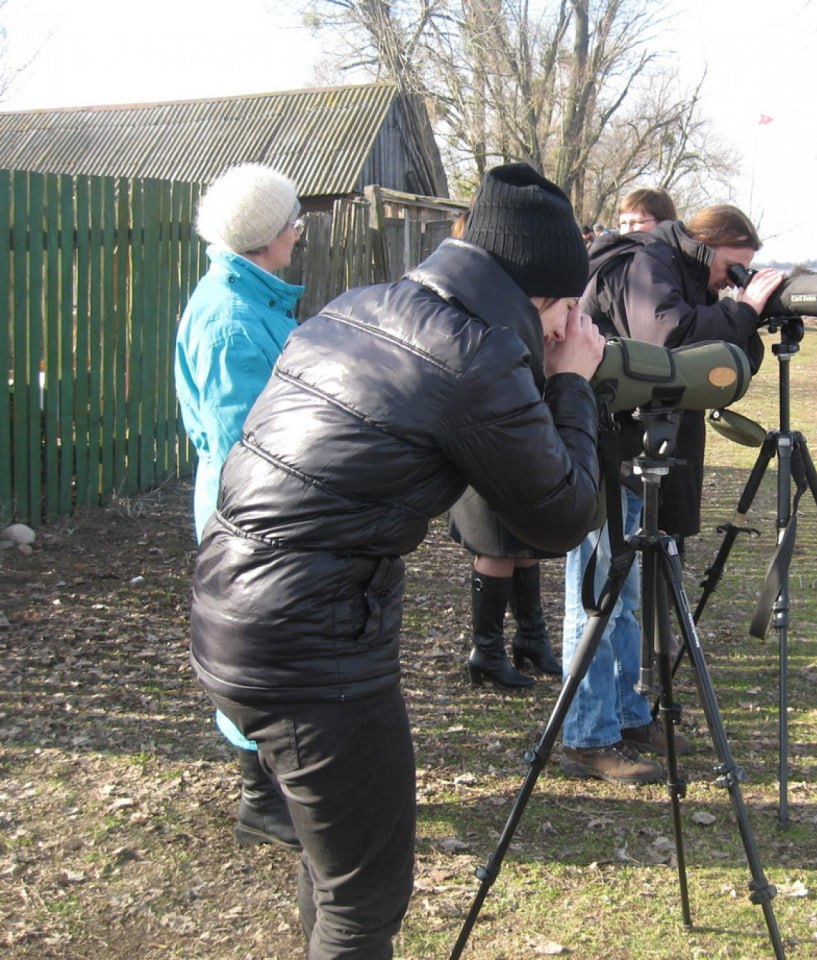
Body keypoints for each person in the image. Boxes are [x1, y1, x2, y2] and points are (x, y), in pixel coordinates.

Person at [187, 162, 603, 959]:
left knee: (335, 865)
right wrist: (573, 383)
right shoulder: (474, 353)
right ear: (535, 293)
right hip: (312, 650)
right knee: (364, 899)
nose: (564, 326)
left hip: (233, 611)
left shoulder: (360, 306)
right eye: (563, 308)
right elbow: (559, 516)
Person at [559, 203, 785, 785]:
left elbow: (722, 368)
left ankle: (629, 717)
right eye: (732, 267)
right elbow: (669, 342)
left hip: (641, 449)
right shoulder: (645, 266)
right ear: (708, 246)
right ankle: (586, 736)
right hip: (606, 447)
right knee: (597, 599)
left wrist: (742, 316)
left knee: (629, 598)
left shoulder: (677, 272)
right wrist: (740, 308)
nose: (729, 282)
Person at [174, 162, 305, 850]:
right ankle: (261, 798)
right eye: (293, 223)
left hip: (262, 507)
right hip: (251, 513)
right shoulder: (230, 320)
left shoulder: (249, 297)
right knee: (253, 649)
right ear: (271, 234)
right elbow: (245, 443)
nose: (298, 235)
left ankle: (277, 785)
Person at [445, 210, 562, 690]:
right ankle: (486, 649)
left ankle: (531, 637)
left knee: (524, 542)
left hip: (518, 430)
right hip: (485, 437)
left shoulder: (514, 289)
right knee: (495, 545)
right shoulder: (473, 297)